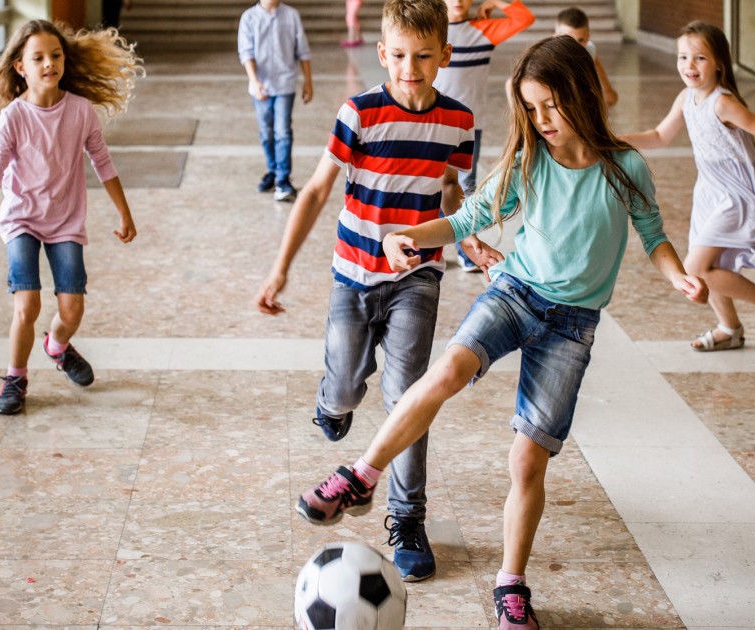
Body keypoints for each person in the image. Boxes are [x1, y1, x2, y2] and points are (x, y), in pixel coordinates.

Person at [296, 35, 707, 629]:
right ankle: (361, 476)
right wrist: (405, 236)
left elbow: (653, 234)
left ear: (583, 96)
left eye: (550, 107)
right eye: (531, 109)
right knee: (448, 371)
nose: (540, 121)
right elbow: (465, 219)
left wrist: (678, 276)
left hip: (572, 325)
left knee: (527, 460)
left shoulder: (626, 167)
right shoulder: (527, 159)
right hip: (514, 293)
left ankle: (511, 586)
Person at [254, 0, 477, 582]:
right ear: (382, 54)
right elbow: (316, 192)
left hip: (418, 276)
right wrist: (280, 269)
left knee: (410, 398)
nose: (411, 67)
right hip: (353, 273)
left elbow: (451, 192)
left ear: (444, 56)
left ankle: (408, 518)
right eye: (400, 55)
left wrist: (463, 231)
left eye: (425, 56)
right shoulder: (359, 114)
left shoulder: (458, 121)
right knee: (348, 386)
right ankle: (333, 401)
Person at [0, 20, 141, 415]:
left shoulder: (80, 112)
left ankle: (57, 346)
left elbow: (103, 163)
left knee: (72, 311)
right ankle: (15, 378)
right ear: (21, 67)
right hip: (21, 220)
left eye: (56, 55)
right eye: (38, 58)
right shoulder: (13, 117)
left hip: (65, 221)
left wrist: (124, 212)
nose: (49, 64)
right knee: (26, 305)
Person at [620, 20, 755, 353]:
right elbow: (658, 137)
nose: (689, 66)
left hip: (737, 194)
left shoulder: (722, 103)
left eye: (699, 58)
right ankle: (729, 328)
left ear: (718, 63)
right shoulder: (686, 98)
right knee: (714, 264)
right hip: (710, 193)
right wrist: (614, 140)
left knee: (696, 269)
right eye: (683, 57)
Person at [434, 0, 534, 272]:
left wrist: (494, 2)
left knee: (464, 187)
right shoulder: (432, 28)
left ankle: (466, 249)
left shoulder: (483, 30)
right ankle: (429, 245)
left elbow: (523, 18)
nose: (458, 2)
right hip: (434, 121)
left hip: (468, 125)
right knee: (430, 185)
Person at [238, 0, 313, 202]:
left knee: (283, 131)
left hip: (285, 84)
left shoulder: (291, 15)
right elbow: (246, 52)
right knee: (266, 132)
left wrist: (308, 81)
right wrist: (254, 81)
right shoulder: (249, 17)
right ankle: (272, 171)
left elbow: (303, 50)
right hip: (261, 86)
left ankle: (283, 179)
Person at [554, 8, 617, 108]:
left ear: (588, 36)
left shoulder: (590, 49)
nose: (575, 46)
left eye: (581, 40)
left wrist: (608, 89)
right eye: (569, 39)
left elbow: (598, 66)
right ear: (556, 37)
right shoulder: (552, 56)